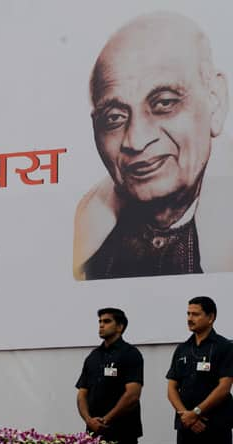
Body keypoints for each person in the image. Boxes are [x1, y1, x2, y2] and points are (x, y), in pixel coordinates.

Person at [73, 12, 232, 280]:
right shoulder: (89, 249)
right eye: (114, 118)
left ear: (214, 101)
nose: (136, 140)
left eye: (164, 103)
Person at [166, 296, 233, 444]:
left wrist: (196, 412)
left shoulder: (225, 347)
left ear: (210, 317)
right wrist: (185, 416)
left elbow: (224, 387)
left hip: (216, 428)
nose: (189, 318)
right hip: (186, 428)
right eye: (188, 313)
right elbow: (172, 388)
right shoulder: (182, 349)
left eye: (195, 314)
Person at [76, 308, 143, 444]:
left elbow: (133, 395)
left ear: (119, 327)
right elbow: (82, 393)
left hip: (122, 432)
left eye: (106, 321)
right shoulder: (93, 356)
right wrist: (88, 419)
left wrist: (106, 419)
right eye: (99, 322)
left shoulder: (131, 354)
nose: (101, 325)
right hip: (94, 432)